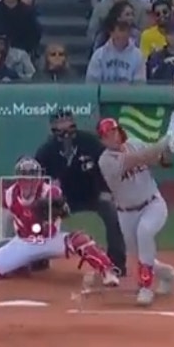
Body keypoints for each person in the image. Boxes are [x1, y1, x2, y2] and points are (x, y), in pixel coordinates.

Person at [0, 156, 120, 284]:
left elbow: (63, 209)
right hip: (24, 242)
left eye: (32, 177)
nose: (29, 182)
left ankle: (108, 271)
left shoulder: (49, 191)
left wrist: (57, 210)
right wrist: (4, 242)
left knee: (80, 240)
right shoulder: (9, 194)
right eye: (25, 178)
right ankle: (26, 264)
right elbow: (5, 220)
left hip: (49, 240)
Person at [96, 116, 174, 307]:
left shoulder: (134, 143)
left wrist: (170, 149)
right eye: (107, 135)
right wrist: (164, 140)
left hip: (153, 204)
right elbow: (137, 159)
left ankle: (145, 287)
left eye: (114, 131)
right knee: (140, 253)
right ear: (102, 140)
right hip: (126, 213)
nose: (112, 137)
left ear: (119, 131)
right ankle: (167, 275)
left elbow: (161, 161)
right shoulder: (105, 161)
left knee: (145, 233)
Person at [33, 109, 128, 276]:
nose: (64, 127)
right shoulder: (46, 150)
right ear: (53, 127)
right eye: (59, 123)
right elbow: (39, 179)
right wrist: (50, 195)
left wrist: (106, 191)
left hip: (93, 193)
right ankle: (38, 258)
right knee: (40, 213)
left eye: (67, 122)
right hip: (64, 198)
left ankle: (117, 263)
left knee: (113, 213)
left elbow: (107, 166)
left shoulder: (89, 142)